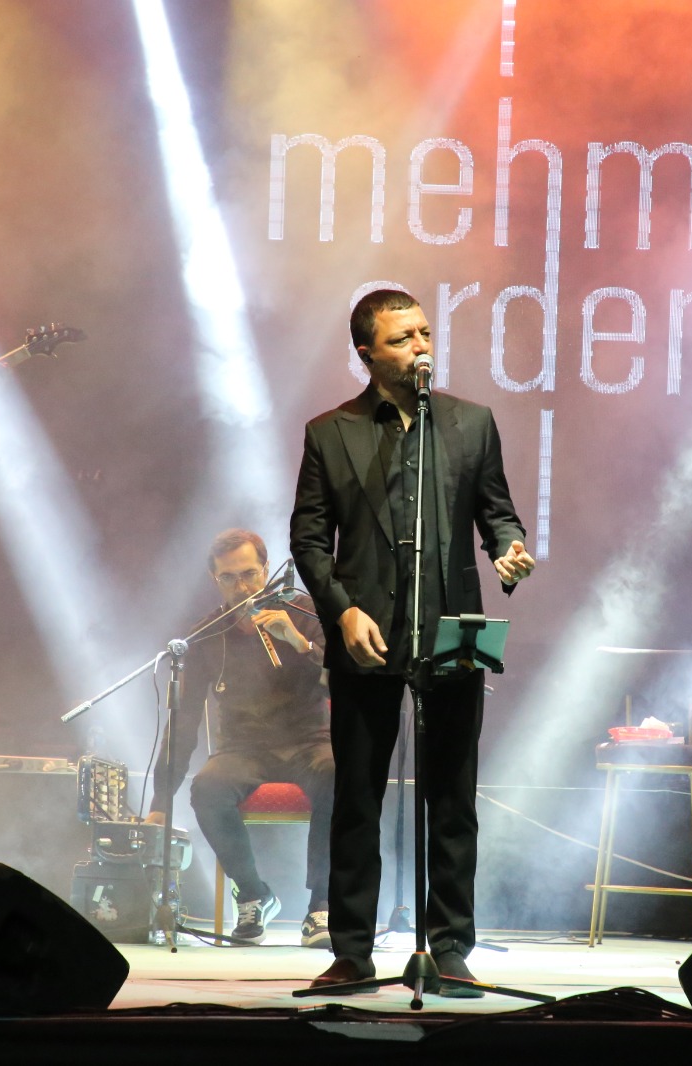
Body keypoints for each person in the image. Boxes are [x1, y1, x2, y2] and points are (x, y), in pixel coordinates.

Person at [291, 288, 535, 996]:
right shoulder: (330, 432)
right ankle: (352, 952)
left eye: (425, 333)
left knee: (452, 799)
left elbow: (498, 513)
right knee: (357, 800)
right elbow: (309, 539)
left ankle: (449, 947)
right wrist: (341, 612)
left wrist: (510, 549)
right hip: (365, 637)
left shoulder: (470, 423)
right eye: (402, 339)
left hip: (452, 629)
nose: (421, 347)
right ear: (366, 353)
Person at [147, 528, 334, 946]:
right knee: (207, 787)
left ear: (266, 569)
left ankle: (321, 904)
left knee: (338, 775)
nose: (242, 587)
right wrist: (161, 799)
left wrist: (298, 641)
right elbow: (184, 719)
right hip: (243, 748)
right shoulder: (207, 633)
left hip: (308, 740)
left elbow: (343, 678)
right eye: (229, 578)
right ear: (215, 580)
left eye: (249, 574)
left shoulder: (305, 612)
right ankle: (253, 895)